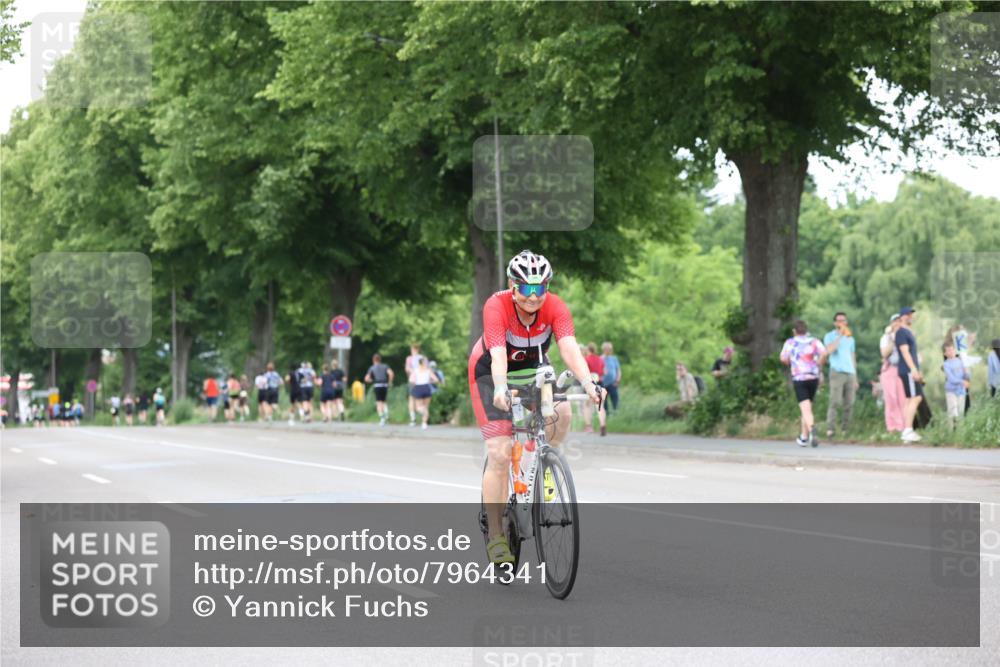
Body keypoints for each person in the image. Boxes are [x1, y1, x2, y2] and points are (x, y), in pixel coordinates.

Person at [470, 250, 603, 565]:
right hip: (491, 373)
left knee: (562, 412)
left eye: (540, 288)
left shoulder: (555, 307)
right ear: (513, 286)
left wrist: (589, 383)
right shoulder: (496, 305)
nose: (533, 296)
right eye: (526, 288)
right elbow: (499, 353)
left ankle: (545, 466)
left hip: (532, 370)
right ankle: (496, 535)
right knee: (500, 452)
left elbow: (569, 348)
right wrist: (501, 388)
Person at [779, 320, 827, 447]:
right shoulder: (814, 341)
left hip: (800, 378)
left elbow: (783, 358)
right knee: (807, 408)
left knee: (805, 408)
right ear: (806, 330)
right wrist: (819, 363)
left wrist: (791, 361)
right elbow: (824, 353)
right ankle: (803, 437)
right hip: (813, 377)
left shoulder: (791, 343)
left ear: (794, 331)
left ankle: (812, 430)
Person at [823, 312, 859, 438]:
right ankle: (830, 429)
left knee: (849, 402)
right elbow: (829, 351)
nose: (841, 323)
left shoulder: (850, 339)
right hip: (837, 372)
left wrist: (856, 377)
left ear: (846, 322)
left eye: (843, 321)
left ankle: (845, 429)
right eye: (838, 321)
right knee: (835, 401)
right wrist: (839, 336)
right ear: (835, 323)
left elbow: (852, 357)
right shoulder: (829, 336)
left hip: (850, 373)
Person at [895, 307, 924, 443]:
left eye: (911, 314)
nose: (910, 316)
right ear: (901, 317)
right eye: (907, 314)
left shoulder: (908, 332)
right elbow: (905, 352)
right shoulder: (901, 332)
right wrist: (913, 369)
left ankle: (906, 430)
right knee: (916, 397)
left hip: (908, 369)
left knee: (909, 399)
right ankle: (908, 430)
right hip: (907, 369)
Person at [879, 314, 906, 433]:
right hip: (889, 369)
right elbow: (884, 353)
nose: (897, 323)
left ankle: (903, 427)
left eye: (899, 321)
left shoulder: (906, 336)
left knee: (903, 399)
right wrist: (893, 340)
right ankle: (892, 427)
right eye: (895, 321)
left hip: (902, 369)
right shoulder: (886, 337)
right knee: (891, 399)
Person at [943, 341, 970, 430]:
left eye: (952, 350)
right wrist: (962, 382)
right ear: (945, 353)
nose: (951, 352)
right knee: (953, 412)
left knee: (961, 412)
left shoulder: (961, 361)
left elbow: (967, 376)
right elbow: (951, 378)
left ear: (955, 350)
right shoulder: (946, 364)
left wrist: (967, 371)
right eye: (948, 351)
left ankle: (960, 432)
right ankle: (951, 432)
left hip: (961, 391)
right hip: (951, 391)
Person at [582, 342, 607, 435]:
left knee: (587, 405)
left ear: (587, 350)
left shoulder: (586, 359)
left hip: (590, 383)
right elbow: (605, 372)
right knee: (600, 405)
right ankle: (602, 424)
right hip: (600, 382)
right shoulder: (600, 359)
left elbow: (583, 372)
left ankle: (588, 426)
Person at [409, 357, 440, 429]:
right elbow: (436, 380)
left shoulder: (415, 371)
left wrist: (415, 382)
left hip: (418, 387)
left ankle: (424, 418)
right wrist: (430, 381)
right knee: (426, 407)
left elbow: (411, 380)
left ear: (419, 363)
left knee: (419, 408)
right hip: (426, 387)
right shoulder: (428, 371)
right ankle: (424, 423)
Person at [365, 354, 395, 425]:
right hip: (385, 384)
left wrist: (371, 380)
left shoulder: (372, 368)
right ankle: (386, 414)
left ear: (373, 360)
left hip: (377, 385)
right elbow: (391, 373)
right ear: (380, 359)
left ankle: (382, 418)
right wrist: (390, 382)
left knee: (378, 402)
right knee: (384, 401)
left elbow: (366, 378)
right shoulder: (385, 366)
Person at [405, 343, 424, 426]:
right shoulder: (422, 358)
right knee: (420, 400)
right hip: (422, 381)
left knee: (412, 399)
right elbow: (425, 369)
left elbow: (407, 369)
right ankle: (424, 417)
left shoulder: (409, 359)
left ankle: (413, 419)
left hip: (413, 381)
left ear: (413, 349)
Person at [600, 342, 622, 412]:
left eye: (610, 349)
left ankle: (616, 413)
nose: (610, 350)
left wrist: (617, 380)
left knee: (615, 400)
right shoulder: (600, 359)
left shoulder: (614, 358)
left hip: (613, 383)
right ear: (604, 349)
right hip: (603, 384)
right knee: (604, 401)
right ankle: (606, 415)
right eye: (608, 349)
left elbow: (618, 370)